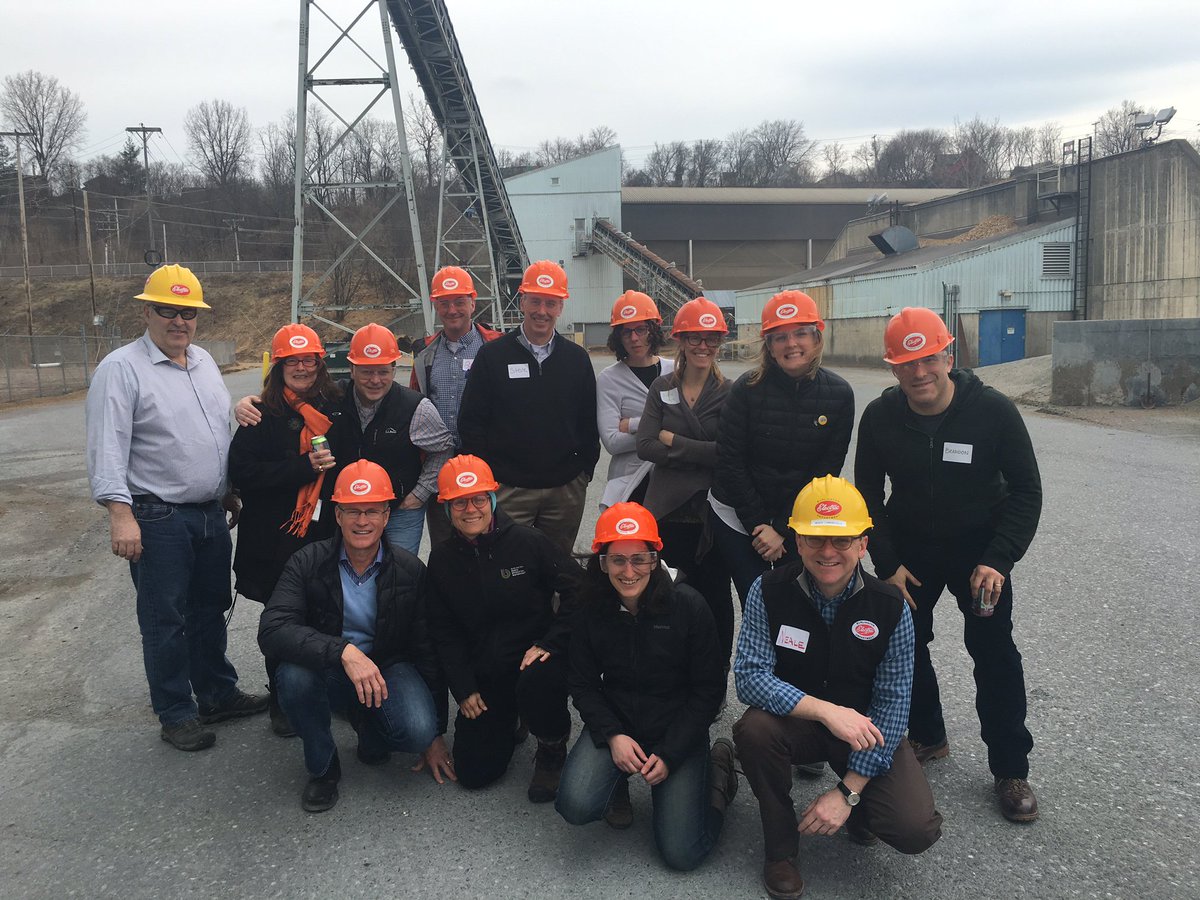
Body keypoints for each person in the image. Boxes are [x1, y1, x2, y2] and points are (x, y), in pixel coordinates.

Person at [854, 307, 1042, 823]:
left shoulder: (994, 412)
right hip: (910, 553)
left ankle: (1010, 768)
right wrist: (886, 561)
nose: (919, 373)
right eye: (906, 363)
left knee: (994, 652)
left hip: (979, 553)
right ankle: (929, 736)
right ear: (893, 368)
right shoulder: (881, 416)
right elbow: (867, 493)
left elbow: (1026, 490)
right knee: (904, 644)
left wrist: (998, 559)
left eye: (929, 359)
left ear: (948, 356)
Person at [85, 264, 267, 752]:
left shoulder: (204, 361)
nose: (178, 321)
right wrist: (118, 514)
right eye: (167, 310)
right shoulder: (122, 369)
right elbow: (107, 446)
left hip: (209, 512)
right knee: (166, 617)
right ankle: (175, 710)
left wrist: (226, 488)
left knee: (211, 608)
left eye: (187, 312)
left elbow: (210, 433)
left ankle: (216, 693)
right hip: (155, 515)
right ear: (147, 311)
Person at [733, 477, 942, 900]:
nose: (828, 552)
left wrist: (847, 792)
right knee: (754, 730)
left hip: (866, 733)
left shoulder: (891, 606)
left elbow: (893, 707)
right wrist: (826, 711)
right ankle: (780, 849)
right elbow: (750, 677)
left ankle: (858, 811)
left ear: (863, 544)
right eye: (815, 539)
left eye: (842, 540)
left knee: (914, 828)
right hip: (799, 724)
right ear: (796, 540)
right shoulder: (767, 590)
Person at [258, 461, 454, 813]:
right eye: (352, 511)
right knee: (294, 676)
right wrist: (343, 651)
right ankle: (323, 767)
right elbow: (273, 628)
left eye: (372, 511)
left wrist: (436, 733)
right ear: (337, 515)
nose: (362, 521)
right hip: (329, 665)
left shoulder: (410, 571)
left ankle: (368, 725)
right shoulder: (307, 561)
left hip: (387, 664)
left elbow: (427, 648)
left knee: (417, 730)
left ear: (386, 515)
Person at [555, 503, 737, 870]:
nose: (628, 571)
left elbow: (708, 690)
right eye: (617, 560)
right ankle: (618, 778)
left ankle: (718, 775)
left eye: (639, 559)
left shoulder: (689, 605)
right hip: (620, 725)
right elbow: (582, 683)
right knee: (574, 806)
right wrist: (612, 736)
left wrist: (671, 752)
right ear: (602, 562)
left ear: (655, 559)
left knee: (682, 853)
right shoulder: (591, 608)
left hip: (677, 728)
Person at [425, 455, 579, 801]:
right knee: (474, 774)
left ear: (493, 499)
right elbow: (442, 630)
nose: (470, 509)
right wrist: (463, 688)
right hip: (486, 674)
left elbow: (579, 591)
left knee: (539, 679)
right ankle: (511, 718)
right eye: (459, 502)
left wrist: (551, 642)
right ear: (447, 508)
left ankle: (552, 744)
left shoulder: (528, 541)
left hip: (534, 660)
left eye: (479, 498)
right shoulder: (442, 560)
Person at [237, 323, 454, 557]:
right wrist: (247, 403)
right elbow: (291, 400)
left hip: (398, 512)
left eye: (382, 371)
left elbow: (443, 449)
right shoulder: (333, 399)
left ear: (394, 369)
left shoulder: (416, 408)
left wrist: (418, 495)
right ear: (351, 369)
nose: (375, 380)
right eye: (366, 371)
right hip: (348, 512)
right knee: (349, 579)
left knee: (398, 577)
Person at [229, 323, 344, 736]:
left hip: (324, 535)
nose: (301, 367)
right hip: (275, 540)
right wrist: (301, 469)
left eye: (308, 359)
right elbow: (240, 472)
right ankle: (283, 701)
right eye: (292, 361)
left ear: (319, 362)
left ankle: (326, 691)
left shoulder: (335, 406)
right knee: (282, 621)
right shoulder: (261, 413)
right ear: (278, 366)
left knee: (326, 616)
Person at [709, 290, 854, 606]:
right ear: (769, 346)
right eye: (780, 337)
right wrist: (761, 528)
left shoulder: (839, 395)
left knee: (796, 604)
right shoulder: (745, 391)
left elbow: (825, 471)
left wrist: (781, 529)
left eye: (801, 333)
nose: (791, 344)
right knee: (756, 602)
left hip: (795, 519)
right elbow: (730, 462)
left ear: (816, 338)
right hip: (738, 514)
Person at [457, 260, 599, 557]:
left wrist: (583, 472)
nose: (542, 311)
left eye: (551, 303)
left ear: (561, 307)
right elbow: (472, 422)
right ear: (522, 301)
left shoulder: (576, 359)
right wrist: (489, 480)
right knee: (507, 566)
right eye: (535, 301)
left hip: (564, 492)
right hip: (508, 490)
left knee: (557, 568)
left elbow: (588, 422)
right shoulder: (493, 356)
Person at [635, 297, 734, 665]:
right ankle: (669, 674)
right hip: (666, 514)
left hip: (711, 516)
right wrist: (701, 452)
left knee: (715, 600)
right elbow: (645, 445)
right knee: (665, 595)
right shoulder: (662, 386)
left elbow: (726, 453)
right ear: (680, 341)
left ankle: (713, 677)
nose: (703, 346)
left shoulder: (729, 392)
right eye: (694, 338)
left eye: (711, 339)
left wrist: (674, 441)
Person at [409, 266, 502, 547]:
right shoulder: (425, 354)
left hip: (489, 464)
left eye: (460, 302)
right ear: (436, 306)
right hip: (442, 467)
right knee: (445, 544)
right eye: (444, 303)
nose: (452, 310)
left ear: (473, 303)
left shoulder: (496, 348)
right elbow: (414, 405)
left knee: (492, 539)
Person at [595, 290, 674, 509]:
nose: (634, 338)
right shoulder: (609, 379)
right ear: (618, 337)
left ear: (654, 329)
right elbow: (612, 442)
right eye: (626, 331)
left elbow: (691, 426)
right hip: (628, 484)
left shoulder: (675, 370)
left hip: (673, 478)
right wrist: (667, 434)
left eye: (641, 329)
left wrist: (631, 424)